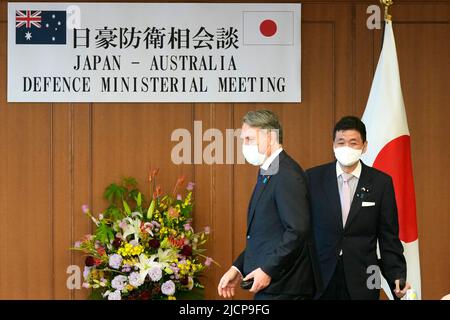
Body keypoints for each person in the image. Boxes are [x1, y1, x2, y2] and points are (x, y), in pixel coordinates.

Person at [217, 109, 321, 300]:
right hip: (272, 287)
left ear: (271, 137)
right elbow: (268, 234)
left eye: (249, 139)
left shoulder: (286, 174)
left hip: (285, 288)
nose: (244, 146)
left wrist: (267, 269)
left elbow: (297, 231)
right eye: (243, 140)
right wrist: (238, 268)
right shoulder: (270, 171)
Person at [306, 115, 410, 300]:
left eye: (353, 142)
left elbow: (388, 237)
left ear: (364, 146)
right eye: (341, 142)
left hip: (364, 278)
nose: (346, 147)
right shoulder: (313, 178)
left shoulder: (381, 183)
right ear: (333, 146)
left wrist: (397, 275)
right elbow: (302, 230)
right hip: (319, 278)